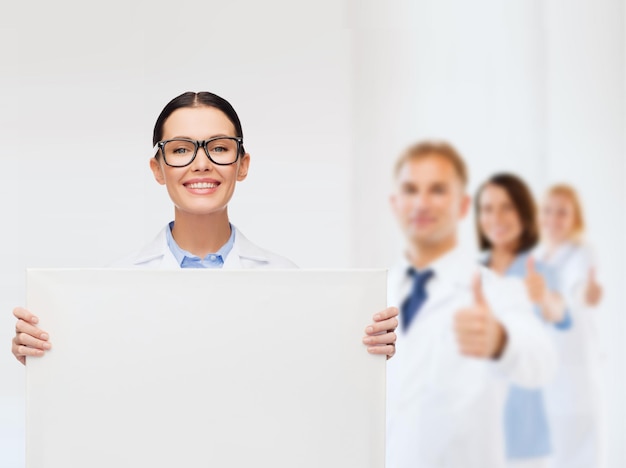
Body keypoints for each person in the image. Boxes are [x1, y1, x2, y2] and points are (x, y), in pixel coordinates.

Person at [12, 91, 398, 364]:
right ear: (157, 169)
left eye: (219, 147)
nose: (201, 164)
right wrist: (45, 356)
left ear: (242, 164)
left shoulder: (287, 280)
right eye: (181, 149)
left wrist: (361, 345)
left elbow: (310, 379)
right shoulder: (115, 283)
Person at [386, 141, 557, 468]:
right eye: (410, 189)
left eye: (437, 190)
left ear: (463, 206)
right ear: (395, 203)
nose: (421, 203)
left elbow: (542, 360)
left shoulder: (496, 290)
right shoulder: (381, 291)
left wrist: (501, 342)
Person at [475, 173, 570, 468]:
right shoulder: (471, 273)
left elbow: (561, 314)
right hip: (477, 426)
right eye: (487, 209)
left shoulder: (538, 270)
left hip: (525, 432)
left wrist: (544, 299)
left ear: (524, 213)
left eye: (507, 207)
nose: (496, 218)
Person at [535, 184, 604, 468]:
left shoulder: (582, 253)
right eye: (548, 211)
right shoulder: (538, 259)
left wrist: (584, 293)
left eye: (562, 212)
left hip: (575, 373)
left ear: (575, 217)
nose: (554, 219)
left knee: (579, 450)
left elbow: (580, 288)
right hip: (547, 373)